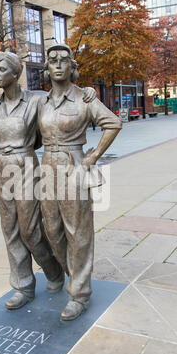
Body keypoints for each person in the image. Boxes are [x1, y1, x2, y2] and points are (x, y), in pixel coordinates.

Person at [0, 51, 96, 311]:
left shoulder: (36, 100)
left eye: (0, 70)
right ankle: (22, 286)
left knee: (32, 230)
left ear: (14, 73)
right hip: (1, 169)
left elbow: (64, 97)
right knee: (10, 230)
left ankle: (54, 271)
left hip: (27, 167)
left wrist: (88, 91)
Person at [38, 44, 122, 321]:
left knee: (78, 232)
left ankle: (80, 293)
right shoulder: (42, 101)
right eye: (53, 61)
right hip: (47, 167)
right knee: (52, 230)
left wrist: (94, 156)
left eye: (64, 60)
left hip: (74, 164)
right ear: (47, 68)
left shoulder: (84, 99)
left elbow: (113, 123)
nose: (58, 64)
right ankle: (72, 274)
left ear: (71, 67)